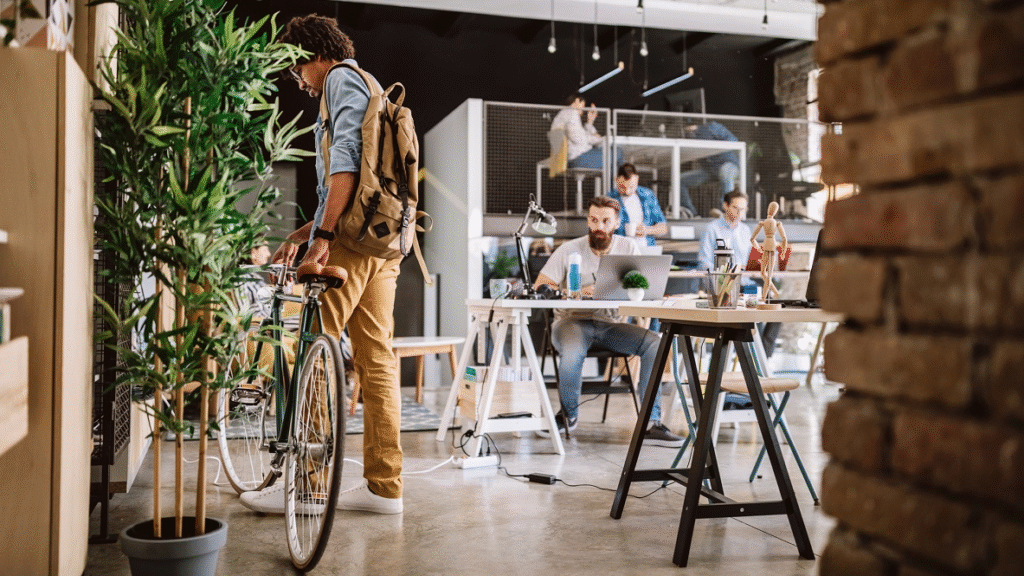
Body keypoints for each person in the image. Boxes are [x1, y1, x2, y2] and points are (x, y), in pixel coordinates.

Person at [240, 14, 403, 516]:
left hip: (351, 242)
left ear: (311, 53)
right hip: (386, 240)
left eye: (296, 71)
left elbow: (346, 166)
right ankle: (385, 489)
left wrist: (323, 239)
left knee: (310, 350)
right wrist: (304, 232)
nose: (299, 82)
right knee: (377, 360)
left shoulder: (337, 79)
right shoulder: (372, 83)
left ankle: (308, 486)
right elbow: (358, 177)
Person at [533, 197, 683, 447]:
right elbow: (541, 286)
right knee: (572, 353)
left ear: (617, 223)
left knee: (655, 343)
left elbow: (640, 289)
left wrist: (618, 290)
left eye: (605, 221)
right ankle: (568, 417)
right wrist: (576, 292)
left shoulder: (628, 248)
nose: (598, 226)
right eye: (593, 220)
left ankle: (651, 423)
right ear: (588, 220)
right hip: (571, 323)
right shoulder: (569, 249)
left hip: (609, 325)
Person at [697, 191, 781, 356]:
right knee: (751, 313)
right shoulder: (712, 229)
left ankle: (763, 354)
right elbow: (703, 262)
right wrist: (729, 270)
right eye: (735, 208)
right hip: (724, 287)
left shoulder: (745, 230)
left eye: (743, 209)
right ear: (725, 205)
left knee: (776, 305)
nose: (739, 213)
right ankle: (752, 354)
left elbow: (751, 260)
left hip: (747, 285)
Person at [679, 120, 741, 217]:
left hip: (729, 165)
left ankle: (726, 212)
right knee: (680, 180)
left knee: (725, 171)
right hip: (710, 171)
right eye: (685, 129)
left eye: (689, 127)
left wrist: (715, 149)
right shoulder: (688, 138)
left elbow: (733, 140)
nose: (687, 130)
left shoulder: (712, 127)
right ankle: (691, 213)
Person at [550, 93, 624, 171]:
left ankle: (616, 182)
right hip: (579, 158)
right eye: (583, 106)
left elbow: (581, 136)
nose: (583, 110)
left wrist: (590, 122)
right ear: (577, 100)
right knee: (618, 152)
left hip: (572, 158)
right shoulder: (571, 113)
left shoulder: (563, 114)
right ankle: (621, 182)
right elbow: (579, 139)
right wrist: (595, 138)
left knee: (612, 160)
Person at [606, 163, 667, 247]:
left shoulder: (648, 195)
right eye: (622, 187)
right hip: (621, 249)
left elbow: (663, 228)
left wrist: (647, 230)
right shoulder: (609, 199)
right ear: (616, 180)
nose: (627, 191)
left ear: (637, 179)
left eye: (631, 187)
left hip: (646, 249)